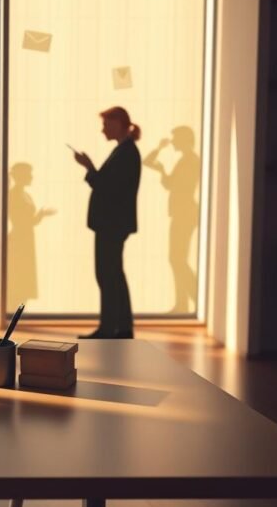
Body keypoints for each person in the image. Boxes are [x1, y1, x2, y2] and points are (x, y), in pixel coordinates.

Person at [73, 106, 142, 339]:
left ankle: (110, 329)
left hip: (112, 224)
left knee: (107, 275)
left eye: (106, 124)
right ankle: (120, 328)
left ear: (118, 124)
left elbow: (108, 187)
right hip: (113, 224)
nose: (103, 129)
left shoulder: (126, 153)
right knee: (113, 274)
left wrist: (89, 167)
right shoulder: (124, 151)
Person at [143, 126, 200, 313]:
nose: (173, 142)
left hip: (184, 213)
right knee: (177, 258)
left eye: (175, 138)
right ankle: (183, 303)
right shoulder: (187, 160)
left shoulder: (190, 161)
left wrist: (163, 172)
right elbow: (147, 162)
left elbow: (175, 185)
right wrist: (160, 159)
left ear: (184, 139)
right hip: (182, 212)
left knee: (177, 258)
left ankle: (193, 299)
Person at [6, 163, 55, 307]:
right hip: (18, 238)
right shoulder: (13, 194)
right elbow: (20, 219)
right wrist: (39, 215)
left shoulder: (25, 194)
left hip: (27, 238)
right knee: (18, 277)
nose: (31, 176)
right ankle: (12, 312)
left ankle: (18, 312)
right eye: (29, 173)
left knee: (25, 279)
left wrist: (41, 215)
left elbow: (30, 221)